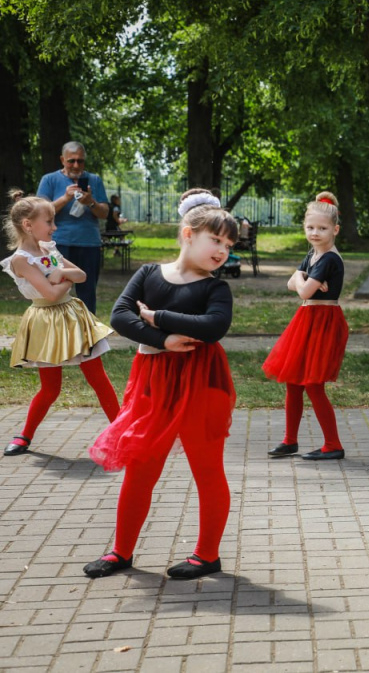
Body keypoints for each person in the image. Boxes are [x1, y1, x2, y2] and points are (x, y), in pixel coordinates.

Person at [84, 189, 238, 580]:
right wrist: (164, 338)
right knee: (140, 467)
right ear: (189, 233)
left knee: (207, 469)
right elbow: (119, 315)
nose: (222, 251)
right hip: (153, 381)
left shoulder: (215, 287)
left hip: (200, 381)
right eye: (215, 240)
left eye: (228, 244)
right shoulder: (150, 273)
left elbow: (215, 326)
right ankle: (121, 551)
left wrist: (158, 316)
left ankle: (207, 555)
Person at [1, 190, 120, 456]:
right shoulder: (21, 260)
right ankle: (25, 435)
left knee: (98, 378)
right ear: (28, 225)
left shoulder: (48, 249)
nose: (55, 227)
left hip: (72, 317)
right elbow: (52, 294)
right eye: (50, 222)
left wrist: (60, 272)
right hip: (46, 321)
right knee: (51, 388)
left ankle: (123, 433)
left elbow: (82, 274)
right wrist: (64, 279)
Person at [263, 192, 350, 461]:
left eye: (322, 228)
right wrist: (303, 279)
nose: (315, 232)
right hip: (307, 320)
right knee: (293, 382)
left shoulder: (329, 259)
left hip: (323, 321)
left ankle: (333, 444)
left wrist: (301, 281)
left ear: (334, 229)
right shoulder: (313, 255)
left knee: (313, 384)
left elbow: (301, 291)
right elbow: (294, 284)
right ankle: (290, 441)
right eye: (310, 227)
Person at [36, 142, 109, 313]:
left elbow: (104, 213)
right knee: (56, 289)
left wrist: (90, 202)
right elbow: (40, 213)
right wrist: (65, 198)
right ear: (62, 160)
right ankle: (57, 331)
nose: (76, 165)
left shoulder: (94, 180)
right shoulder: (49, 180)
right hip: (57, 244)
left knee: (87, 292)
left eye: (80, 161)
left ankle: (88, 333)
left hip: (89, 244)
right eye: (71, 161)